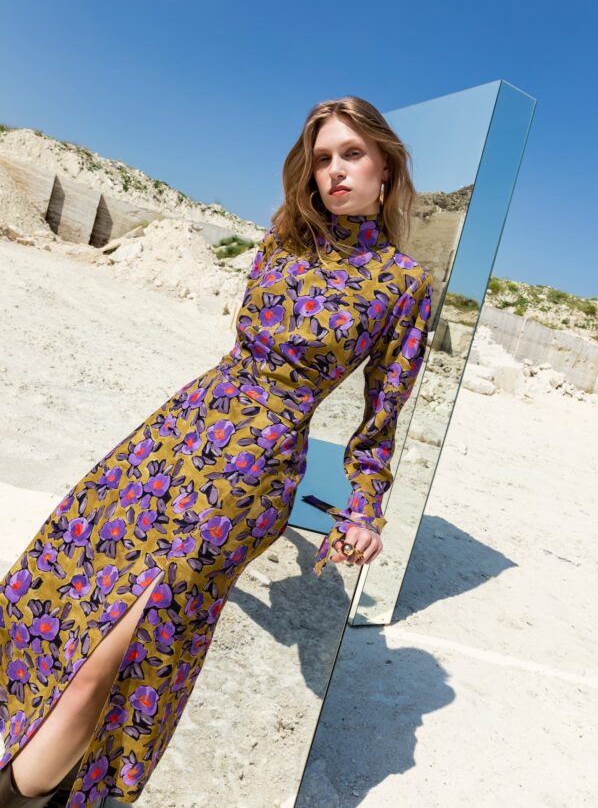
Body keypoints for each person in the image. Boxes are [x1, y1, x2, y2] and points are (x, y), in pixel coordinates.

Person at [0, 95, 433, 806]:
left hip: (253, 474)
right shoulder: (282, 241)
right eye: (322, 158)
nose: (334, 170)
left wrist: (364, 509)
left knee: (130, 646)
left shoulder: (403, 284)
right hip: (175, 434)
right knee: (63, 588)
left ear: (386, 164)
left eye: (352, 154)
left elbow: (381, 418)